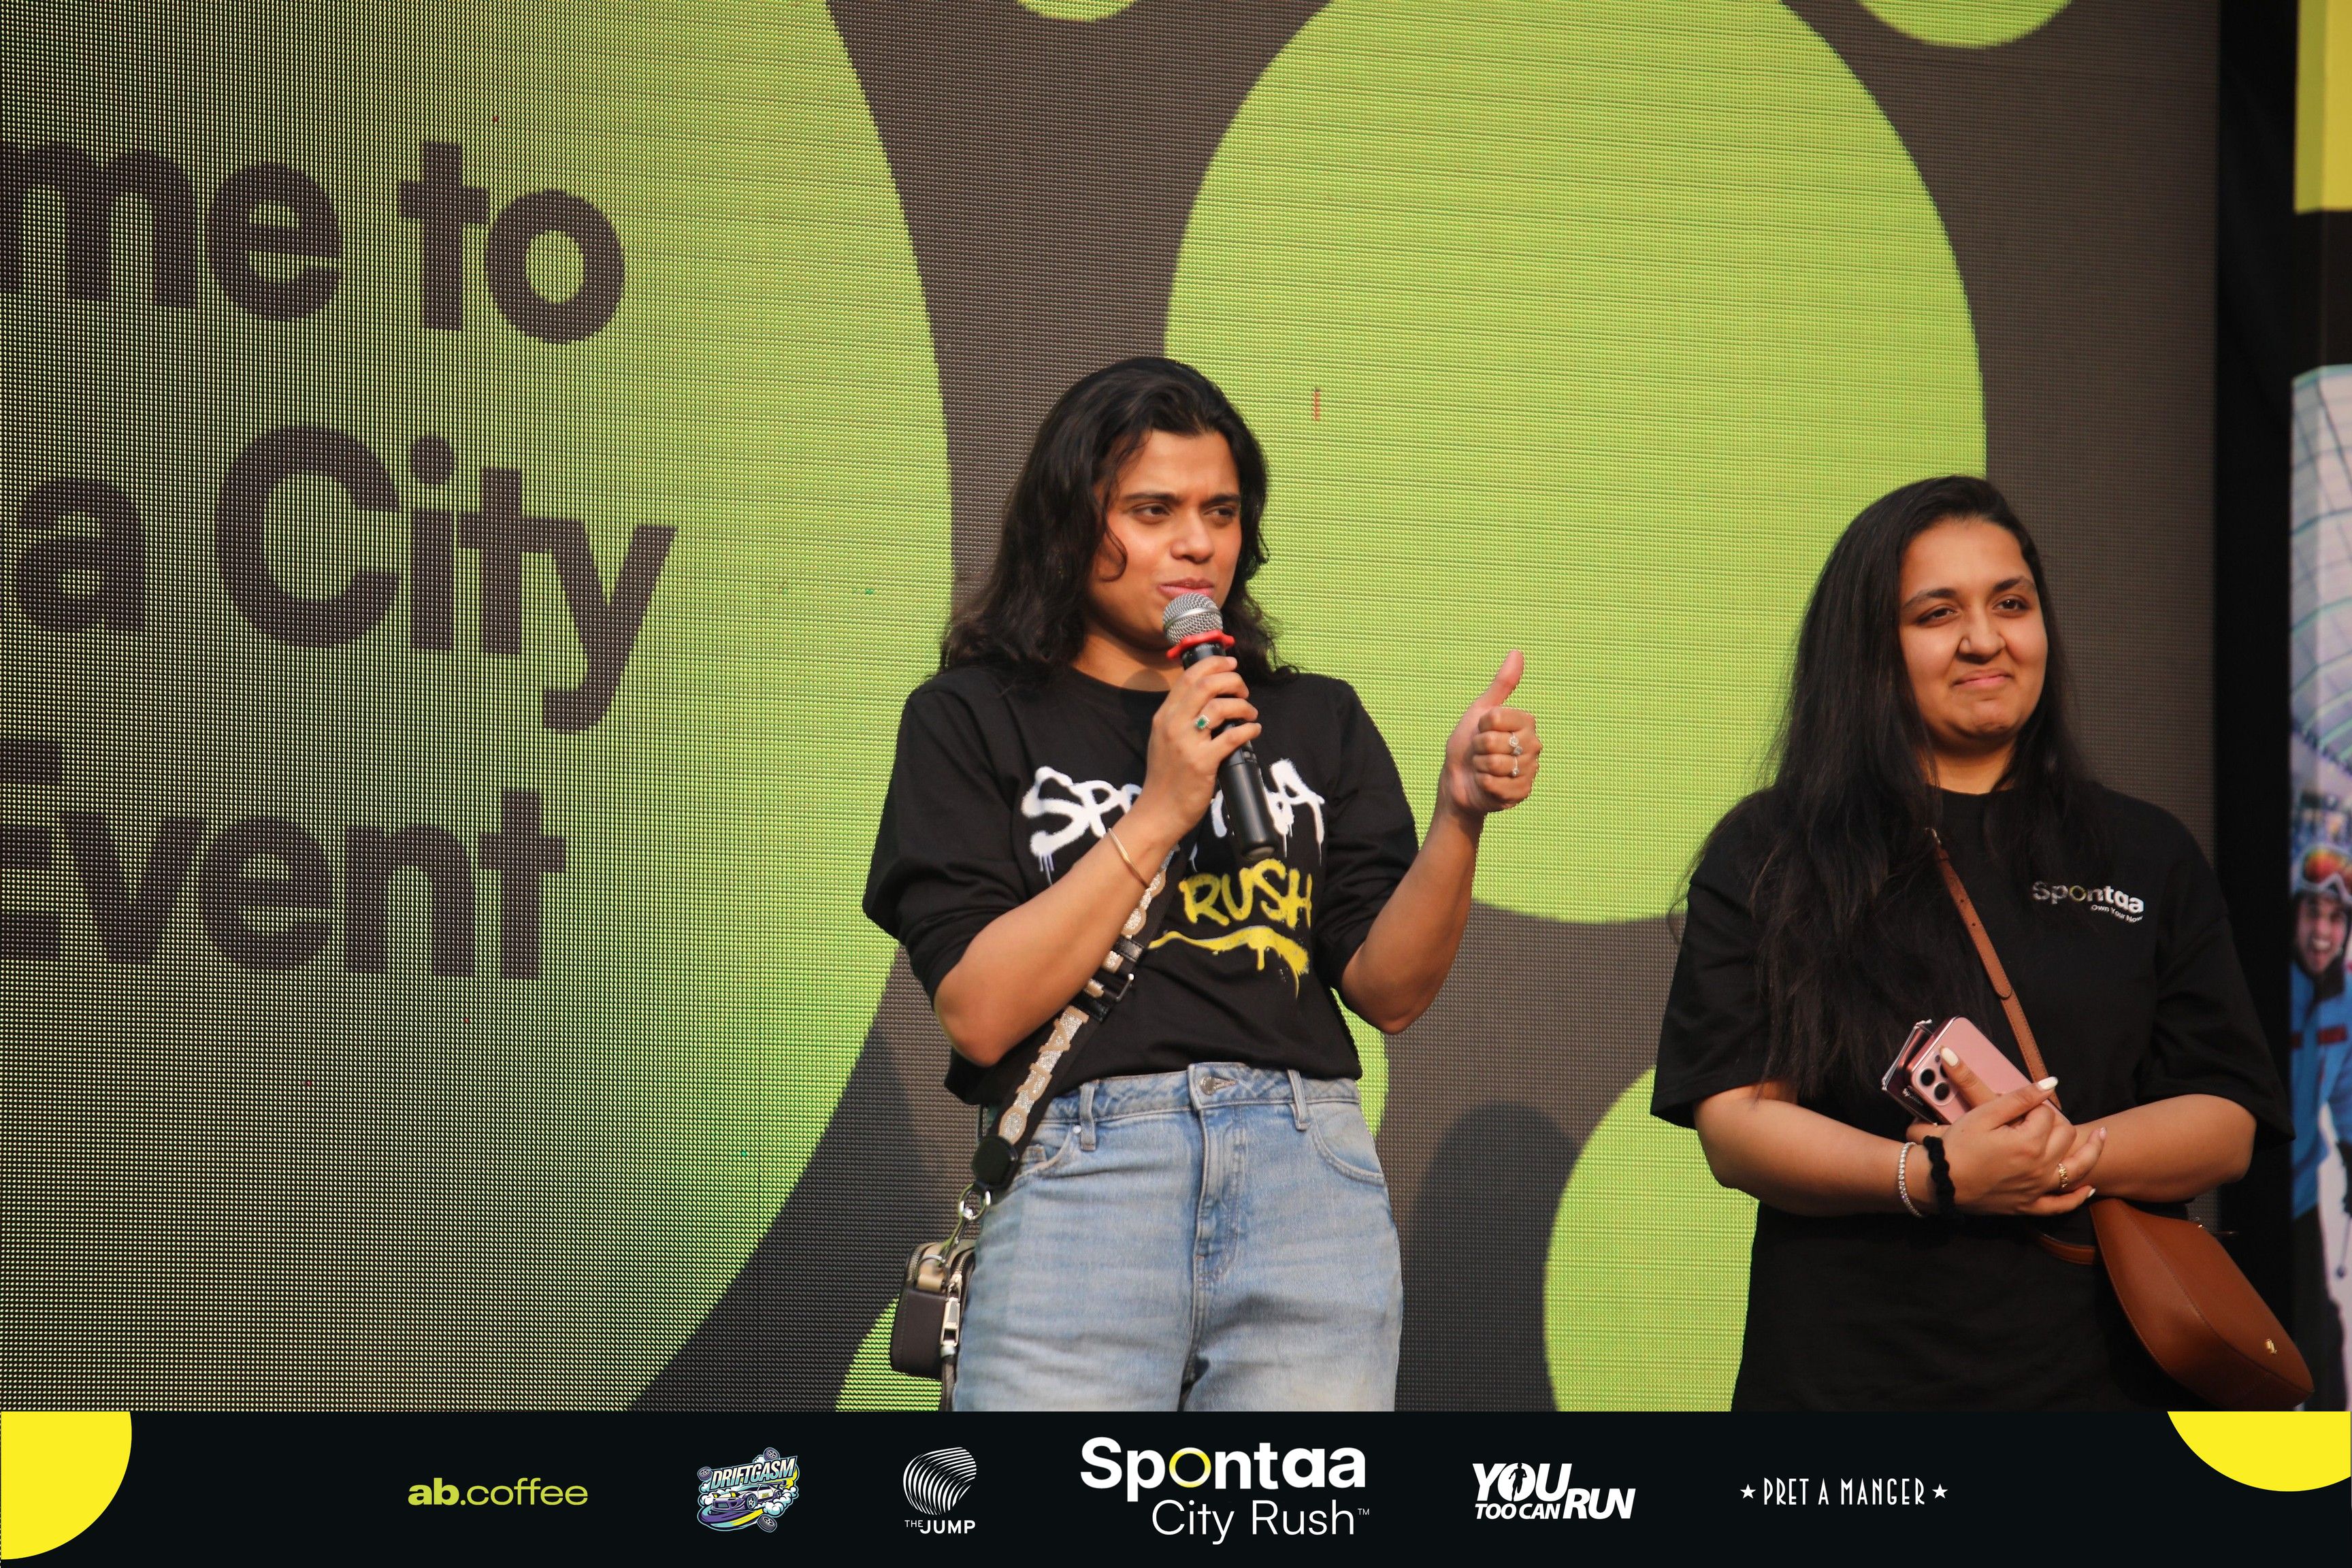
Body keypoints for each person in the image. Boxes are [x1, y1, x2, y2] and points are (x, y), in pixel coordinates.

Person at [864, 357, 1541, 1409]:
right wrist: (1160, 810)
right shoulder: (971, 717)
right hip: (1086, 1171)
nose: (1197, 544)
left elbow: (1392, 991)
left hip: (1305, 1172)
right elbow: (980, 1012)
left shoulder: (1312, 718)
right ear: (1068, 524)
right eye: (1154, 510)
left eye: (1220, 513)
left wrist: (1461, 817)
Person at [1650, 474, 2289, 1409]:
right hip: (1846, 1393)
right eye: (1937, 613)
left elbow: (2227, 1117)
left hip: (2104, 1387)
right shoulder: (1775, 848)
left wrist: (2059, 1155)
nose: (1985, 639)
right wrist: (1932, 1176)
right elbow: (1738, 1126)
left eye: (2012, 604)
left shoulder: (2147, 850)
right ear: (1868, 648)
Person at [2288, 840, 2352, 1407]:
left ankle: (2330, 1453)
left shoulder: (2341, 998)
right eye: (2313, 913)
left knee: (2322, 1336)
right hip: (2246, 1191)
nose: (2323, 933)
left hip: (2301, 1195)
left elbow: (2347, 1085)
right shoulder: (2267, 983)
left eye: (2336, 919)